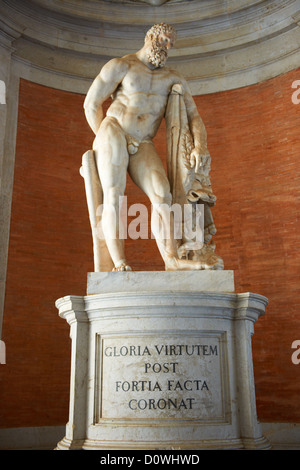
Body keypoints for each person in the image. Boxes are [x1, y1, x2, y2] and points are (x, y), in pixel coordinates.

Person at [84, 23, 215, 271]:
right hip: (114, 130)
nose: (167, 47)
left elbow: (194, 116)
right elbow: (91, 104)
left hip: (144, 142)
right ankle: (119, 262)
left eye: (171, 44)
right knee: (114, 195)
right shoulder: (122, 65)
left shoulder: (173, 78)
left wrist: (201, 146)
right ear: (151, 37)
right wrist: (104, 138)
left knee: (162, 194)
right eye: (164, 40)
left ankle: (172, 259)